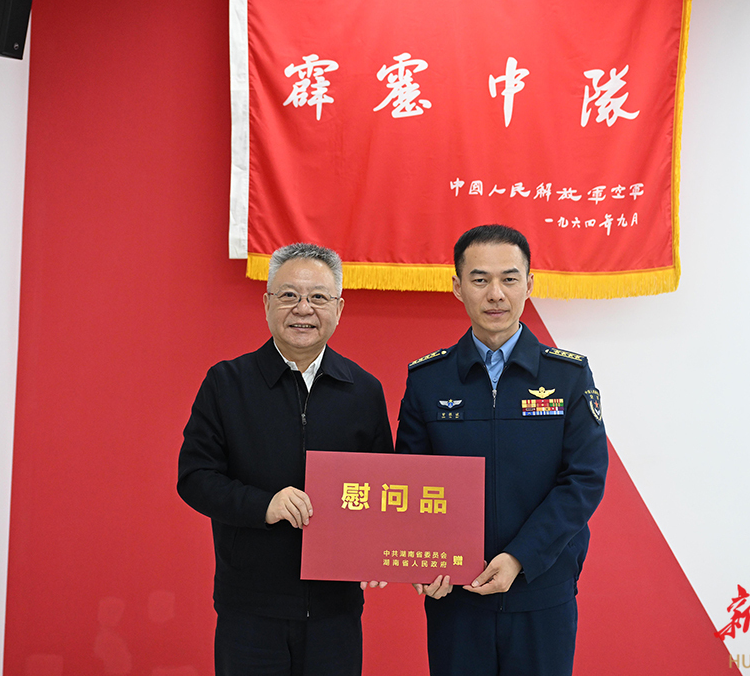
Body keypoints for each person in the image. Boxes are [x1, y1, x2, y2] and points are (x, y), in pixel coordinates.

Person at [395, 225, 609, 676]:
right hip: (457, 596)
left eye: (509, 279)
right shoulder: (428, 380)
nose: (495, 294)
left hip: (541, 590)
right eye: (480, 279)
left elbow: (584, 479)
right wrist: (422, 559)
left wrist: (519, 558)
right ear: (458, 287)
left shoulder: (568, 377)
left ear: (529, 284)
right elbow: (408, 483)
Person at [177, 243, 393, 676]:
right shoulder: (227, 383)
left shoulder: (364, 391)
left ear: (339, 308)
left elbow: (385, 486)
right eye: (289, 295)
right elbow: (195, 477)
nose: (303, 309)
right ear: (267, 303)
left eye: (318, 297)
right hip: (250, 608)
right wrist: (264, 505)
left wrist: (377, 551)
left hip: (335, 610)